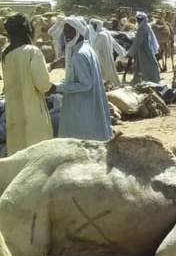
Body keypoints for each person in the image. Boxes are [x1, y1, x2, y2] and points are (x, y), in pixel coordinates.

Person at [0, 13, 54, 155]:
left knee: (18, 153)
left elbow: (21, 74)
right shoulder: (32, 52)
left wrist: (51, 66)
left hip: (13, 114)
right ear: (27, 30)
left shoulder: (6, 54)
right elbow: (43, 85)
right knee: (35, 155)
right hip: (33, 113)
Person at [55, 17, 113, 141]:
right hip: (89, 105)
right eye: (65, 32)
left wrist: (57, 88)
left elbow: (86, 84)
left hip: (81, 107)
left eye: (70, 31)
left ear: (79, 31)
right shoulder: (87, 49)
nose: (66, 35)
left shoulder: (79, 55)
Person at [88, 18, 126, 88]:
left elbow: (113, 44)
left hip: (104, 56)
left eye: (95, 26)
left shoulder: (102, 35)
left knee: (106, 71)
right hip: (100, 55)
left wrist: (122, 53)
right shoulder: (101, 33)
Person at [126, 12, 162, 84]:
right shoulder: (146, 27)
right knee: (142, 66)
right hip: (145, 50)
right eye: (137, 19)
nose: (138, 21)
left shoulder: (142, 28)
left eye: (139, 19)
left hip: (144, 51)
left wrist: (130, 53)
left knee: (147, 66)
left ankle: (152, 80)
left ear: (142, 20)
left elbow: (137, 42)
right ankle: (137, 82)